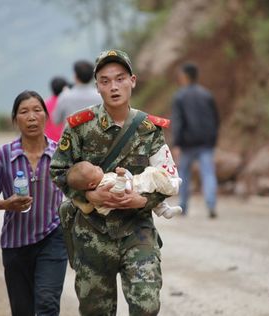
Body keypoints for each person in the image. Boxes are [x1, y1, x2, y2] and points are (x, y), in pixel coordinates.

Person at [50, 49, 170, 315]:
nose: (114, 87)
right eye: (105, 81)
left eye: (120, 78)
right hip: (92, 235)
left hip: (137, 230)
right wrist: (87, 197)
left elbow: (166, 178)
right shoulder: (80, 126)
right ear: (97, 87)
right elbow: (58, 171)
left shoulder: (149, 129)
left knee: (147, 306)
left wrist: (142, 200)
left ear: (133, 81)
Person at [0, 90, 67, 315]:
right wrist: (5, 204)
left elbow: (77, 191)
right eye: (24, 112)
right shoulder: (4, 156)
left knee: (47, 302)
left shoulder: (60, 155)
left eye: (37, 110)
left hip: (53, 238)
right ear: (15, 120)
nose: (32, 117)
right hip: (15, 245)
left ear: (46, 116)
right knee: (22, 310)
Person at [66, 150, 182, 218]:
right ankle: (173, 186)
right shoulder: (104, 183)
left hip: (134, 189)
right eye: (95, 169)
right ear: (91, 184)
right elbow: (118, 191)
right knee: (152, 174)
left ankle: (165, 211)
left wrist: (144, 201)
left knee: (153, 186)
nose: (97, 167)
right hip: (135, 186)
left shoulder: (148, 127)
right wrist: (121, 176)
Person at [170, 62, 220, 218]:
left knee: (184, 174)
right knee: (208, 174)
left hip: (187, 144)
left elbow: (178, 122)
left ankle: (183, 206)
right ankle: (211, 205)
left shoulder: (179, 96)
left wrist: (176, 143)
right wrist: (213, 139)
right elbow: (216, 119)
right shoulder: (207, 94)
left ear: (185, 76)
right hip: (206, 143)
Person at [51, 60, 102, 125]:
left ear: (75, 76)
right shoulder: (100, 95)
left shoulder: (65, 96)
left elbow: (56, 120)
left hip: (72, 134)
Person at [44, 76, 69, 142]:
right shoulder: (68, 102)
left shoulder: (46, 104)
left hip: (49, 140)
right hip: (65, 140)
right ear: (65, 87)